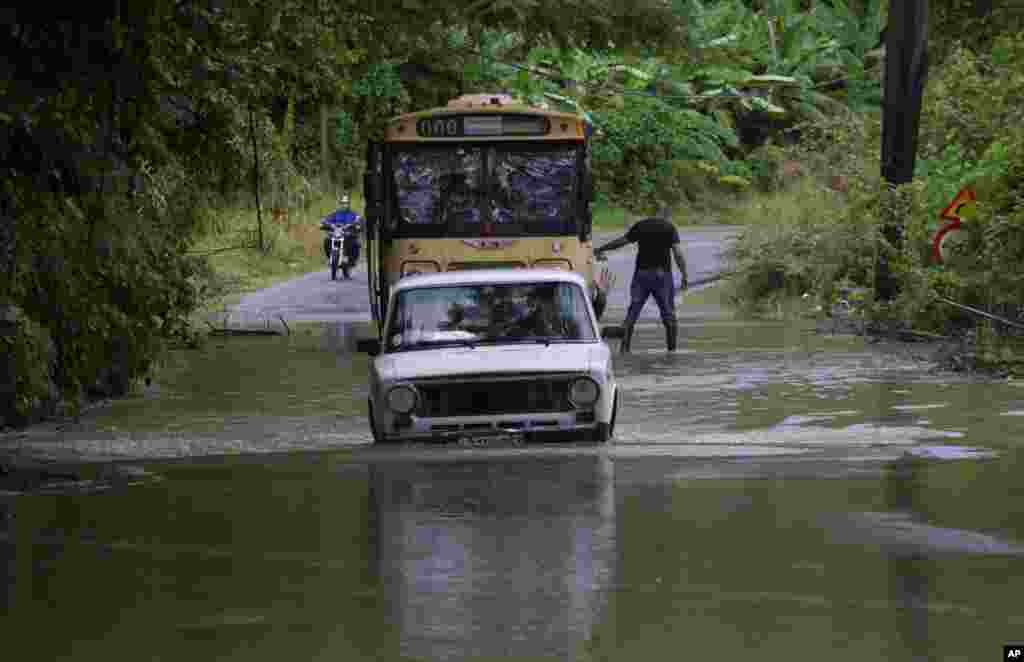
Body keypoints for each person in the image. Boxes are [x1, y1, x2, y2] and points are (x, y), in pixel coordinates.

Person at [594, 206, 687, 353]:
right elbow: (678, 254)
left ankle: (624, 349)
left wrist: (602, 249)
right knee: (669, 315)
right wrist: (684, 275)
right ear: (666, 215)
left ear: (654, 213)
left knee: (632, 312)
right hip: (662, 276)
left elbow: (622, 241)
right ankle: (671, 352)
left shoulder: (642, 225)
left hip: (641, 276)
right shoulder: (669, 227)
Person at [321, 194, 363, 262]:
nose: (344, 205)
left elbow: (359, 220)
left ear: (348, 204)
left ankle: (352, 259)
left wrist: (356, 225)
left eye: (346, 203)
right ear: (340, 204)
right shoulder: (336, 214)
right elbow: (326, 219)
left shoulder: (353, 214)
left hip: (348, 234)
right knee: (326, 240)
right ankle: (329, 258)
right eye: (343, 203)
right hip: (337, 234)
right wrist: (325, 223)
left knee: (355, 242)